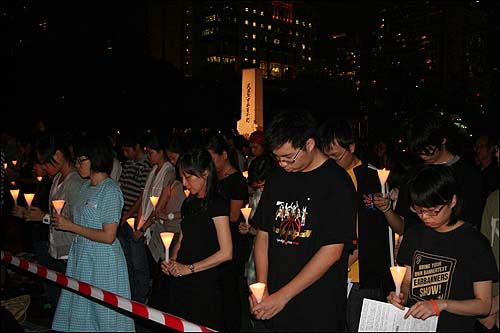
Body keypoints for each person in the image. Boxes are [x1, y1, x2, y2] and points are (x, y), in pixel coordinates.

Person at [249, 109, 357, 331]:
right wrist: (262, 288)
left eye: (289, 157)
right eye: (277, 158)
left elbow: (333, 250)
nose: (283, 164)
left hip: (317, 304)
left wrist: (283, 296)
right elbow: (263, 236)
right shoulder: (277, 178)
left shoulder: (337, 182)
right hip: (275, 298)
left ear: (309, 144)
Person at [387, 164, 498, 332]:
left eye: (432, 211)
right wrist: (400, 295)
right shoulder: (414, 235)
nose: (425, 217)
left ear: (452, 201)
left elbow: (483, 305)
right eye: (419, 210)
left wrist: (441, 304)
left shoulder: (475, 243)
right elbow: (408, 280)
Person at [318, 117, 403, 332]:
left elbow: (376, 231)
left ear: (352, 147)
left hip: (363, 277)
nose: (332, 161)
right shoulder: (323, 176)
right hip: (330, 273)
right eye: (326, 156)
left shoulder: (371, 176)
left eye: (336, 155)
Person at [50, 135, 135, 332]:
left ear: (95, 159)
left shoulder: (110, 190)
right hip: (82, 257)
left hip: (102, 261)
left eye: (81, 160)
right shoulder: (86, 187)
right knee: (82, 312)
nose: (77, 165)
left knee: (103, 315)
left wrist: (71, 227)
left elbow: (108, 236)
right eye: (77, 160)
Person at [161, 148, 232, 331]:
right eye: (182, 178)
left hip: (204, 283)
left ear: (205, 173)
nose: (184, 183)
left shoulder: (217, 202)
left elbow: (226, 252)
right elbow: (183, 237)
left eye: (189, 177)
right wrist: (172, 260)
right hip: (181, 279)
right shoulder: (190, 202)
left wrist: (189, 269)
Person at [28, 132, 85, 315]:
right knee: (59, 302)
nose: (43, 167)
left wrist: (43, 217)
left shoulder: (74, 182)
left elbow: (78, 221)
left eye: (46, 162)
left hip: (69, 252)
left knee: (69, 305)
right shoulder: (57, 180)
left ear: (59, 155)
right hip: (56, 249)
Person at [117, 132, 153, 304]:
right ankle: (130, 293)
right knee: (127, 260)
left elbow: (142, 197)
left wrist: (127, 216)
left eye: (126, 150)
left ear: (136, 147)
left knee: (138, 261)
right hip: (123, 217)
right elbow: (122, 187)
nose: (124, 154)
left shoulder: (147, 165)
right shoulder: (128, 164)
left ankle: (141, 296)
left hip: (133, 219)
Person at [478, 144, 499, 332]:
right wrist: (486, 304)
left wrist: (495, 304)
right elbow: (483, 253)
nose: (497, 153)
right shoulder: (493, 199)